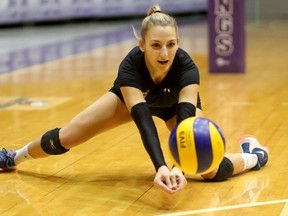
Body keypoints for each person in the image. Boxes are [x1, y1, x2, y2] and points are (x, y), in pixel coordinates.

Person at [0, 5, 268, 194]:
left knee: (211, 170)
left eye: (171, 44)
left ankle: (253, 155)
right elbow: (142, 120)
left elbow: (186, 121)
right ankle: (15, 156)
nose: (164, 53)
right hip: (134, 102)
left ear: (178, 42)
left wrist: (179, 167)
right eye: (155, 45)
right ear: (142, 44)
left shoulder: (188, 68)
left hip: (175, 108)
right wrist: (160, 166)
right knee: (68, 136)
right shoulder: (130, 66)